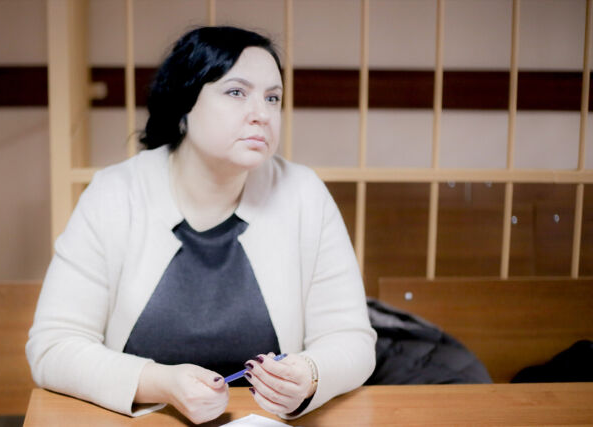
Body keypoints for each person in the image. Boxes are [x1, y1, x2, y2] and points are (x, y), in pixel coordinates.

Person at [26, 26, 376, 424]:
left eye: (273, 97)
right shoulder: (115, 193)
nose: (262, 114)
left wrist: (311, 374)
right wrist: (161, 383)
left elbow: (352, 339)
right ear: (184, 104)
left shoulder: (303, 193)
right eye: (236, 92)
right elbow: (53, 346)